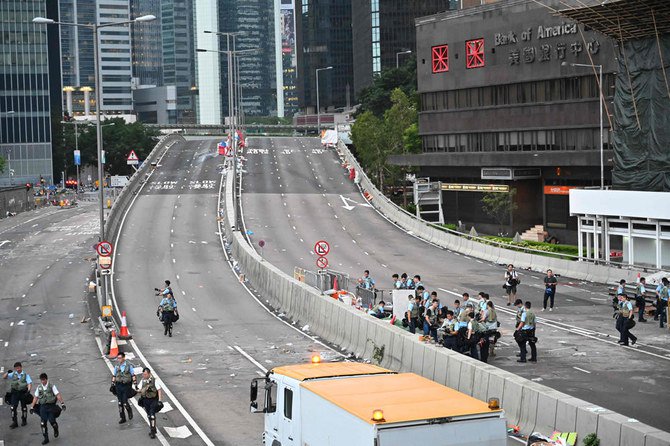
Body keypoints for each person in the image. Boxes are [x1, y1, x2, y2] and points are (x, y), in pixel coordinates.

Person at [31, 372, 65, 445]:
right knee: (43, 423)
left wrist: (62, 403)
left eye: (44, 380)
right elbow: (36, 397)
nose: (42, 381)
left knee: (52, 421)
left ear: (46, 379)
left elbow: (57, 395)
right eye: (41, 380)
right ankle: (46, 438)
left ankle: (55, 429)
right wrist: (32, 406)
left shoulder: (52, 386)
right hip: (43, 407)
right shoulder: (39, 387)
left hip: (51, 406)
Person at [3, 361, 33, 428]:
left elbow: (29, 383)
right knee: (13, 408)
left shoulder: (25, 375)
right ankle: (14, 422)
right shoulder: (13, 374)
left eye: (19, 368)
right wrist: (7, 372)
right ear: (15, 368)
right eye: (16, 368)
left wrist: (28, 390)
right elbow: (4, 377)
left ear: (21, 367)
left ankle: (24, 420)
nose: (18, 369)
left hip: (23, 393)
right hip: (15, 393)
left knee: (24, 408)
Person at [137, 368, 163, 439]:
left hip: (153, 400)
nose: (143, 375)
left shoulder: (154, 381)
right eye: (143, 374)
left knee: (152, 415)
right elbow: (138, 389)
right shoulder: (142, 381)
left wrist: (160, 401)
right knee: (149, 415)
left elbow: (159, 390)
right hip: (145, 400)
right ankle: (153, 428)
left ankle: (152, 431)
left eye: (145, 374)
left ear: (149, 373)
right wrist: (137, 391)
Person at [112, 352, 137, 424]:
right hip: (118, 386)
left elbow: (133, 375)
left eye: (120, 358)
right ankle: (122, 417)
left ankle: (129, 410)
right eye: (118, 358)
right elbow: (114, 375)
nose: (118, 359)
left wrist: (135, 384)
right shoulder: (117, 366)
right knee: (120, 403)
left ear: (123, 358)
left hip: (126, 386)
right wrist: (112, 384)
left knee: (125, 402)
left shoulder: (129, 366)